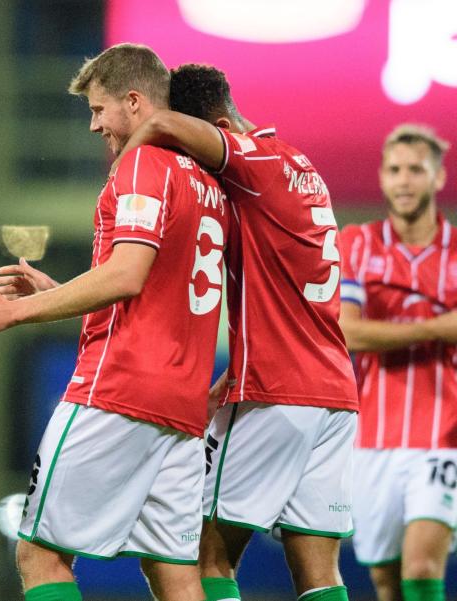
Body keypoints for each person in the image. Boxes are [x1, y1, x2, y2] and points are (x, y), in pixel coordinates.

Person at [0, 43, 228, 601]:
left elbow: (126, 276)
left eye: (99, 110)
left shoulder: (145, 163)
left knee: (39, 553)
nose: (95, 126)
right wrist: (56, 291)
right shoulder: (205, 181)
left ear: (135, 101)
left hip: (119, 393)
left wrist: (15, 310)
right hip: (183, 404)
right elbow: (154, 295)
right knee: (175, 573)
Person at [116, 64, 359, 601]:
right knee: (318, 569)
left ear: (221, 126)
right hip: (334, 393)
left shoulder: (254, 159)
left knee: (203, 553)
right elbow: (286, 301)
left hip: (278, 391)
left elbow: (161, 129)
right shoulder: (301, 165)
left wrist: (125, 173)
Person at [339, 124, 457, 601]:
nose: (404, 180)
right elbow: (347, 331)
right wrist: (435, 327)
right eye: (395, 170)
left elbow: (367, 330)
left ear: (438, 177)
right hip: (371, 437)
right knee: (386, 580)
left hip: (444, 435)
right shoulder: (357, 244)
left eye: (415, 169)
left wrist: (386, 332)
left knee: (423, 563)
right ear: (383, 179)